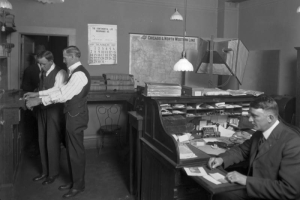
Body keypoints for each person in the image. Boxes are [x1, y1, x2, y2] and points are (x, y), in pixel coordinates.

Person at [24, 46, 91, 198]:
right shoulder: (72, 72)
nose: (63, 60)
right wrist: (39, 95)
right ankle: (74, 182)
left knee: (76, 152)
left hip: (76, 116)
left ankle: (79, 186)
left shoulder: (79, 74)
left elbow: (63, 95)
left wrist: (39, 100)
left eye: (65, 57)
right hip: (72, 115)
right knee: (71, 151)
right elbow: (59, 90)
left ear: (73, 56)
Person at [208, 95, 300, 200]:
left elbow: (290, 190)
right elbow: (242, 151)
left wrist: (246, 180)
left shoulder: (293, 142)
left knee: (220, 195)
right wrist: (221, 159)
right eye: (249, 115)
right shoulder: (259, 133)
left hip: (271, 195)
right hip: (256, 190)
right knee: (215, 193)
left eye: (254, 116)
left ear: (270, 118)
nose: (250, 120)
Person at [30, 50, 67, 185]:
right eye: (39, 64)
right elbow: (42, 88)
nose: (41, 67)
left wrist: (39, 98)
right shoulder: (42, 72)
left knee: (52, 142)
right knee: (42, 140)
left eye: (43, 64)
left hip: (54, 111)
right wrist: (34, 95)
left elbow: (59, 92)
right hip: (42, 110)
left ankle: (53, 173)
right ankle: (45, 172)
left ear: (51, 61)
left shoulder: (60, 73)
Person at [21, 44, 46, 157]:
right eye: (39, 55)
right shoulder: (29, 70)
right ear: (35, 57)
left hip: (46, 104)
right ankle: (35, 149)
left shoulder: (50, 69)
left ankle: (43, 149)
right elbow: (25, 88)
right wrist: (34, 93)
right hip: (33, 104)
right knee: (34, 127)